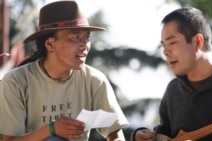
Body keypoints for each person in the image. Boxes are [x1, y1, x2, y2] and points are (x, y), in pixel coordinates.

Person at [0, 1, 128, 141]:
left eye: (87, 37)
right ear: (49, 44)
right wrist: (51, 129)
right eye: (75, 37)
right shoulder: (15, 82)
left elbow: (115, 134)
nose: (85, 45)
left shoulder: (95, 80)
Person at [131, 7, 212, 141]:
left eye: (172, 42)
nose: (165, 52)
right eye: (164, 45)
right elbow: (164, 134)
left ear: (197, 41)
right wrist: (140, 136)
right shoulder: (173, 89)